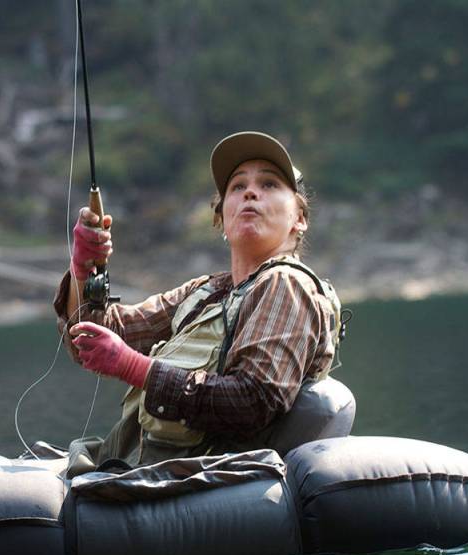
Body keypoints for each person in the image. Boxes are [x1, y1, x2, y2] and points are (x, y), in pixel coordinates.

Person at [55, 131, 343, 466]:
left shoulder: (286, 284)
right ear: (221, 218)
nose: (251, 191)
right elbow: (92, 338)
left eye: (269, 185)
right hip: (136, 471)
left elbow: (253, 400)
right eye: (237, 187)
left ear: (300, 219)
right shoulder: (206, 292)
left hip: (194, 484)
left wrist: (132, 366)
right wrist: (82, 268)